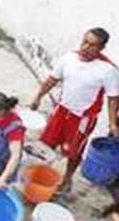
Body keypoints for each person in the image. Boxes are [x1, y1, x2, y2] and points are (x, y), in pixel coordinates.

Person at [30, 28, 119, 191]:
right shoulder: (68, 58)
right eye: (85, 42)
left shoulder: (108, 70)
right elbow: (52, 79)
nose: (85, 47)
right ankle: (38, 172)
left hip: (83, 118)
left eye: (92, 45)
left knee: (73, 152)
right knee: (46, 142)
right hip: (61, 110)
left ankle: (67, 178)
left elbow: (113, 98)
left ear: (101, 48)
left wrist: (113, 123)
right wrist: (38, 97)